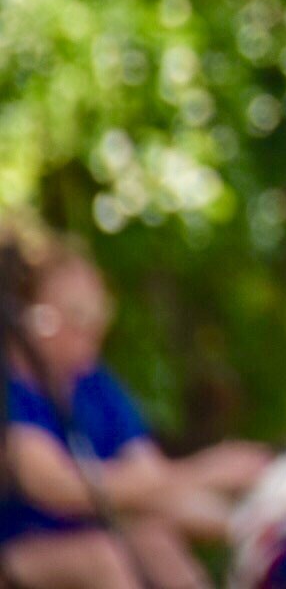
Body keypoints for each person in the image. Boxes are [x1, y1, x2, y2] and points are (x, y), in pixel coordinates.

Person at [0, 222, 271, 589]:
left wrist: (253, 523)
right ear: (32, 317)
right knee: (101, 557)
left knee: (153, 538)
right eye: (78, 314)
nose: (94, 327)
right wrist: (205, 471)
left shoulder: (95, 383)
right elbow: (60, 487)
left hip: (83, 537)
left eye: (100, 312)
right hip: (17, 552)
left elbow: (150, 480)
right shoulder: (11, 391)